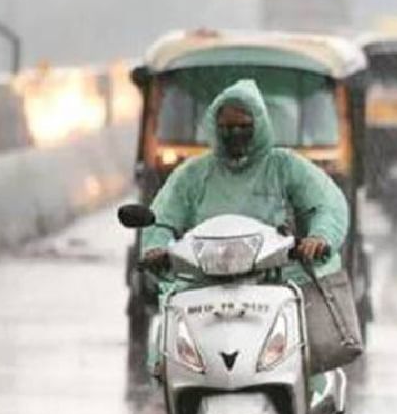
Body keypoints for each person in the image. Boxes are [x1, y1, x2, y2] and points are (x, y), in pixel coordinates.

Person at [140, 79, 349, 370]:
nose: (234, 135)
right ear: (215, 128)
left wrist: (319, 236)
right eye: (226, 128)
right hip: (203, 286)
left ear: (259, 125)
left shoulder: (283, 166)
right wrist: (156, 246)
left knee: (301, 360)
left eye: (243, 127)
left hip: (274, 283)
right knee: (172, 361)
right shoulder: (193, 174)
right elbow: (162, 217)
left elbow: (325, 204)